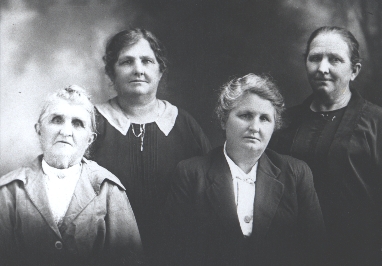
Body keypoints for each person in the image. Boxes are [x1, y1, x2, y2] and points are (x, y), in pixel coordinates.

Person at [269, 26, 382, 265]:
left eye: (335, 59)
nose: (322, 68)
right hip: (293, 254)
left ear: (354, 70)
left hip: (359, 256)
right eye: (315, 58)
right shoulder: (284, 122)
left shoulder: (378, 123)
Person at [164, 74, 326, 265]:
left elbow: (315, 250)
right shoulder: (191, 173)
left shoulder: (296, 173)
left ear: (274, 127)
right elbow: (175, 251)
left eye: (265, 118)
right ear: (224, 120)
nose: (255, 127)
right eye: (245, 115)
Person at [91, 28, 211, 264]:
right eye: (126, 61)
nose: (138, 69)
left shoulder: (184, 124)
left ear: (160, 70)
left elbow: (211, 192)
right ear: (110, 72)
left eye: (147, 60)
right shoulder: (92, 123)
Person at [0, 85, 144, 265]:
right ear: (39, 130)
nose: (66, 131)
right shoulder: (9, 191)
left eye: (77, 123)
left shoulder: (108, 189)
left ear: (89, 139)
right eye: (57, 120)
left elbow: (128, 259)